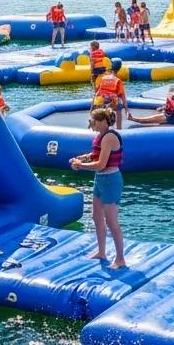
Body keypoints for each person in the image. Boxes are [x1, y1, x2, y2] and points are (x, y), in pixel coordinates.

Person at [69, 107, 126, 268]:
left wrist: (80, 166)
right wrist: (84, 158)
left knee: (112, 222)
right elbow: (96, 155)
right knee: (96, 216)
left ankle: (120, 259)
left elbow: (101, 165)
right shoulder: (100, 136)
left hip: (110, 180)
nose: (91, 124)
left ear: (102, 121)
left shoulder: (109, 137)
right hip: (100, 180)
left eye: (93, 121)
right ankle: (101, 251)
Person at [93, 62, 128, 129]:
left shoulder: (104, 78)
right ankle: (119, 128)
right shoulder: (118, 81)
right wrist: (126, 110)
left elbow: (98, 92)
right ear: (119, 69)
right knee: (118, 110)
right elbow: (122, 96)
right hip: (113, 101)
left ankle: (104, 127)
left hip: (103, 100)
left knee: (104, 111)